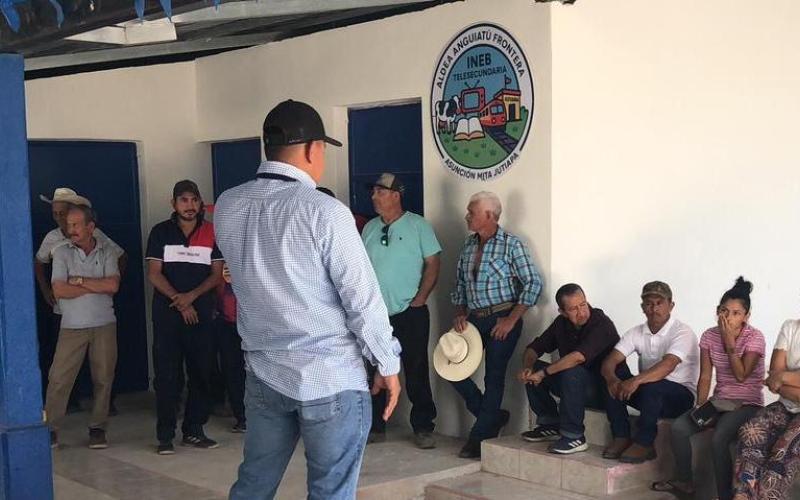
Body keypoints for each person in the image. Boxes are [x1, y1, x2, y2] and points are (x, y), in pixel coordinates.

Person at [215, 99, 401, 500]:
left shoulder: (228, 206)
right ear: (313, 149)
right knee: (330, 492)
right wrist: (386, 362)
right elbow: (362, 300)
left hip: (265, 374)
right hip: (329, 377)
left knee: (253, 485)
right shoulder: (325, 212)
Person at [652, 277, 764, 500]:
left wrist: (730, 343)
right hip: (720, 401)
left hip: (747, 403)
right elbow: (705, 376)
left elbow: (742, 376)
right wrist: (701, 405)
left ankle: (724, 495)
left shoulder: (755, 337)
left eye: (736, 313)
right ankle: (685, 481)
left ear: (746, 316)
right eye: (724, 311)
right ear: (717, 311)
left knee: (719, 438)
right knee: (680, 428)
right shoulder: (709, 336)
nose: (729, 317)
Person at [450, 191, 542, 459]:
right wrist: (460, 312)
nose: (467, 216)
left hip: (503, 318)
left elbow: (533, 283)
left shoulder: (512, 245)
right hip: (474, 319)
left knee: (494, 377)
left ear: (489, 215)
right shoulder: (468, 246)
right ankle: (491, 417)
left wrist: (511, 319)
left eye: (472, 211)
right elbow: (458, 285)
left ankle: (479, 437)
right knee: (450, 368)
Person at [362, 172, 441, 449]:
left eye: (380, 191)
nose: (374, 196)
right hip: (375, 314)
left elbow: (433, 263)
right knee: (373, 367)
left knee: (415, 366)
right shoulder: (370, 228)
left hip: (410, 311)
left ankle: (423, 426)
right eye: (373, 191)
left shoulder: (419, 226)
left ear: (396, 195)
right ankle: (375, 425)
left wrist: (420, 298)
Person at [145, 179, 223, 455]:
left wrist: (192, 297)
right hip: (168, 317)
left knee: (201, 373)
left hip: (201, 315)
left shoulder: (212, 232)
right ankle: (165, 435)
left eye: (194, 200)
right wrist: (180, 301)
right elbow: (154, 273)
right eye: (183, 200)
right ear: (174, 204)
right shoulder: (161, 232)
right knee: (168, 377)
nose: (189, 206)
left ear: (201, 203)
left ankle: (193, 430)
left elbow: (216, 276)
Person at [34, 188, 125, 411]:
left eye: (63, 213)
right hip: (65, 315)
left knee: (102, 371)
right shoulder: (52, 238)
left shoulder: (98, 238)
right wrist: (47, 291)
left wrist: (82, 282)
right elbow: (39, 264)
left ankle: (101, 417)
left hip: (99, 315)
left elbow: (119, 261)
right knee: (60, 371)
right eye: (56, 214)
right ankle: (60, 415)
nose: (60, 219)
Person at [46, 205, 120, 449]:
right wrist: (94, 285)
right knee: (59, 379)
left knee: (104, 378)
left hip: (104, 325)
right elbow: (59, 290)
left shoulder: (108, 251)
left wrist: (78, 281)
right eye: (69, 225)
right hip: (72, 326)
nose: (71, 230)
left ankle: (98, 428)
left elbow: (113, 286)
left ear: (91, 227)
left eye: (76, 225)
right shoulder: (61, 253)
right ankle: (50, 430)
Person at [600, 281, 699, 463]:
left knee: (654, 385)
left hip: (680, 397)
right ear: (642, 307)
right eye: (649, 303)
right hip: (650, 394)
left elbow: (667, 365)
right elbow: (610, 361)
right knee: (615, 377)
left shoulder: (682, 332)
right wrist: (612, 379)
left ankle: (645, 443)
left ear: (671, 305)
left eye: (659, 303)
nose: (654, 308)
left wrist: (636, 381)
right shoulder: (636, 332)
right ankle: (621, 436)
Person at [517, 283, 622, 454]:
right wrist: (528, 368)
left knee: (572, 370)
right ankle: (550, 424)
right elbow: (533, 348)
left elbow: (577, 358)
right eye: (573, 309)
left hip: (602, 391)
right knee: (535, 367)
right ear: (562, 312)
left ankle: (574, 437)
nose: (581, 312)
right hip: (572, 387)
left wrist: (543, 373)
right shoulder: (561, 324)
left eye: (583, 304)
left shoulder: (601, 323)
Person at [732, 317, 800, 499]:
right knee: (751, 430)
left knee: (782, 451)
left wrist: (783, 377)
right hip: (787, 406)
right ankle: (743, 495)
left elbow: (778, 376)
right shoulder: (791, 327)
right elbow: (773, 375)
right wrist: (781, 378)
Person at [214, 263, 246, 433]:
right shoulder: (221, 255)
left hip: (254, 321)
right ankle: (241, 416)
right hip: (227, 321)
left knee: (255, 371)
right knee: (232, 370)